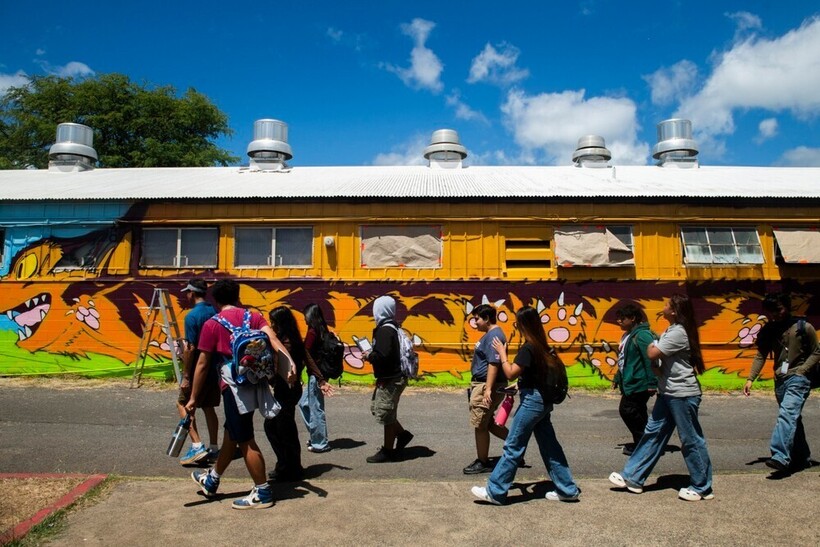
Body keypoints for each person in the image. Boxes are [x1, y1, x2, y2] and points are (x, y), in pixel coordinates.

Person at [186, 279, 296, 509]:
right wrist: (289, 362)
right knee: (232, 432)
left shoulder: (212, 324)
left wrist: (194, 397)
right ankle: (212, 479)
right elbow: (273, 339)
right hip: (255, 382)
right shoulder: (252, 317)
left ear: (216, 300)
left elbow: (203, 364)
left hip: (233, 388)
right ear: (237, 296)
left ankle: (262, 492)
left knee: (245, 438)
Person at [609, 293, 714, 502]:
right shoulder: (671, 330)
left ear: (674, 311)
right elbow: (656, 356)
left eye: (667, 304)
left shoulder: (678, 332)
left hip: (682, 394)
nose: (663, 306)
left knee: (690, 439)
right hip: (667, 392)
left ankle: (702, 486)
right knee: (653, 433)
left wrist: (653, 349)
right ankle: (633, 477)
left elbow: (651, 353)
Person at [471, 306, 580, 505]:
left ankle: (495, 491)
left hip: (532, 403)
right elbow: (533, 375)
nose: (516, 326)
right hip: (543, 401)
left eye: (518, 323)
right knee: (550, 446)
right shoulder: (542, 346)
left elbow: (510, 372)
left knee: (513, 446)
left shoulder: (528, 348)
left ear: (523, 325)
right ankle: (567, 489)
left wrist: (502, 354)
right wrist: (520, 385)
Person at [743, 292, 820, 472]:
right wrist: (750, 378)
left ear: (787, 306)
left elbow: (817, 352)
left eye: (778, 310)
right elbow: (761, 355)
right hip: (780, 380)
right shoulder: (769, 329)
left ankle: (779, 456)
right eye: (771, 311)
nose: (775, 314)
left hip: (799, 379)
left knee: (787, 414)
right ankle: (802, 457)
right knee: (793, 418)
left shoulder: (803, 327)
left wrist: (802, 370)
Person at [362, 295, 413, 463]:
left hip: (391, 378)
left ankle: (388, 451)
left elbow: (383, 356)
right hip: (392, 377)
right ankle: (402, 435)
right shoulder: (393, 327)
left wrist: (369, 356)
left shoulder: (384, 330)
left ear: (380, 310)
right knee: (381, 410)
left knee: (386, 414)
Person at [176, 279, 219, 466]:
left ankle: (197, 445)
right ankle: (214, 448)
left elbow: (191, 348)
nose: (186, 295)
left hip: (197, 369)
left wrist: (186, 375)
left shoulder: (191, 316)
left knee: (183, 403)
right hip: (214, 368)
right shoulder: (214, 312)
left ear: (192, 293)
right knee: (209, 407)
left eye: (187, 292)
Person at [463, 303, 509, 475]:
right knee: (488, 423)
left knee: (480, 425)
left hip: (485, 385)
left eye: (477, 319)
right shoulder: (491, 335)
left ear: (487, 318)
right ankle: (516, 447)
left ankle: (483, 462)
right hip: (483, 384)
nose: (474, 322)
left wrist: (488, 389)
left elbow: (493, 363)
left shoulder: (494, 336)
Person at [265, 306, 306, 482]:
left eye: (274, 322)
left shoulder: (286, 342)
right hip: (289, 390)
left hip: (286, 390)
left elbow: (282, 367)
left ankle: (288, 466)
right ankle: (289, 465)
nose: (271, 326)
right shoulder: (291, 338)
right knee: (281, 427)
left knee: (280, 428)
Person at [612, 304, 658, 455]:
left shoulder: (642, 335)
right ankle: (645, 443)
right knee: (638, 413)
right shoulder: (628, 335)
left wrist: (652, 383)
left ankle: (642, 446)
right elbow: (625, 360)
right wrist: (618, 377)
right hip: (631, 382)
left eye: (622, 318)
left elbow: (649, 359)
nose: (619, 321)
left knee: (628, 411)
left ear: (632, 318)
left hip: (639, 383)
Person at [298, 304, 336, 454]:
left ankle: (320, 443)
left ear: (310, 316)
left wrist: (319, 378)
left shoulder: (313, 332)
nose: (304, 319)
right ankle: (316, 436)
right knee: (304, 403)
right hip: (318, 374)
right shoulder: (322, 330)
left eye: (305, 316)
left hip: (316, 375)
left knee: (316, 409)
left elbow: (306, 354)